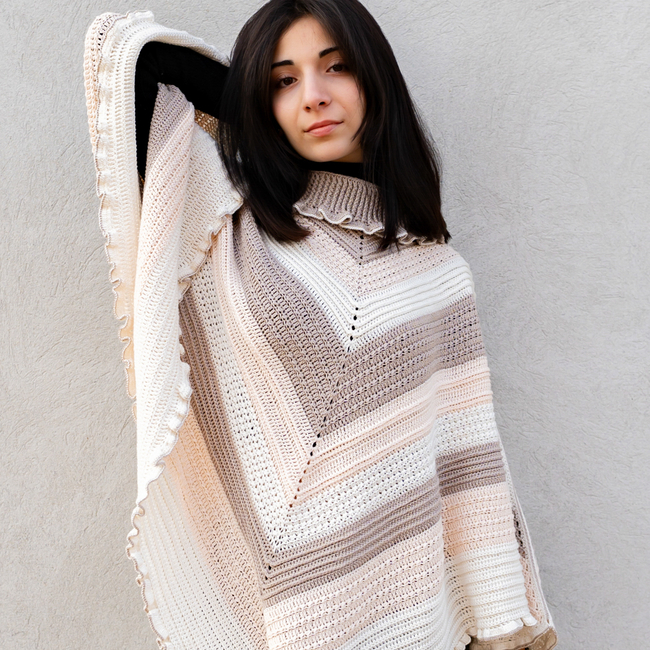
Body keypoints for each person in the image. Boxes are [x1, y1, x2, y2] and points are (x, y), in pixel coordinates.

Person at [83, 2, 558, 649]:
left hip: (400, 618)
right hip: (268, 605)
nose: (313, 96)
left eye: (336, 68)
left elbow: (465, 467)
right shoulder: (231, 221)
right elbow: (130, 60)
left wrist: (497, 615)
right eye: (284, 80)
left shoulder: (441, 278)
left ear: (375, 80)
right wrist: (249, 106)